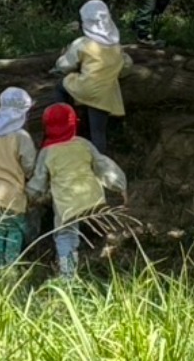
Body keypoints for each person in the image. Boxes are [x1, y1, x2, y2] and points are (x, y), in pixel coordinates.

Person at [27, 103, 127, 278]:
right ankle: (104, 259)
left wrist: (29, 196)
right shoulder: (83, 144)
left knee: (65, 235)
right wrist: (119, 185)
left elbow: (38, 182)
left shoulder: (47, 152)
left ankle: (67, 275)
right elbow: (103, 165)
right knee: (92, 227)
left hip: (66, 204)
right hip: (91, 198)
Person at [50, 0, 126, 149]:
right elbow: (125, 66)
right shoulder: (117, 47)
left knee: (60, 87)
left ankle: (64, 119)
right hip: (105, 94)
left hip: (84, 87)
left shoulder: (83, 43)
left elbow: (65, 65)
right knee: (98, 133)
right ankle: (101, 160)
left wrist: (60, 60)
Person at [0, 89, 36, 269]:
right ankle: (10, 270)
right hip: (12, 193)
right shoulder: (21, 137)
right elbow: (29, 164)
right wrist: (30, 177)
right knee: (14, 231)